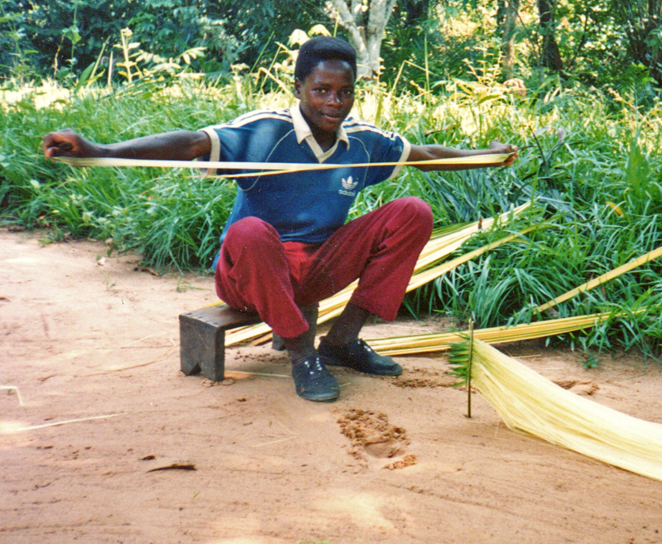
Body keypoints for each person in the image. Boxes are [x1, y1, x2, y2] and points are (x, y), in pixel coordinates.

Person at [43, 36, 518, 402]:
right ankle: (302, 356)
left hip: (316, 269)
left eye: (345, 92)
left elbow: (428, 154)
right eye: (322, 90)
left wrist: (487, 155)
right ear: (298, 89)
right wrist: (98, 150)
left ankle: (343, 342)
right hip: (251, 274)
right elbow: (190, 142)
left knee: (412, 211)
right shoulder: (264, 132)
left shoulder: (362, 142)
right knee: (249, 231)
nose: (335, 102)